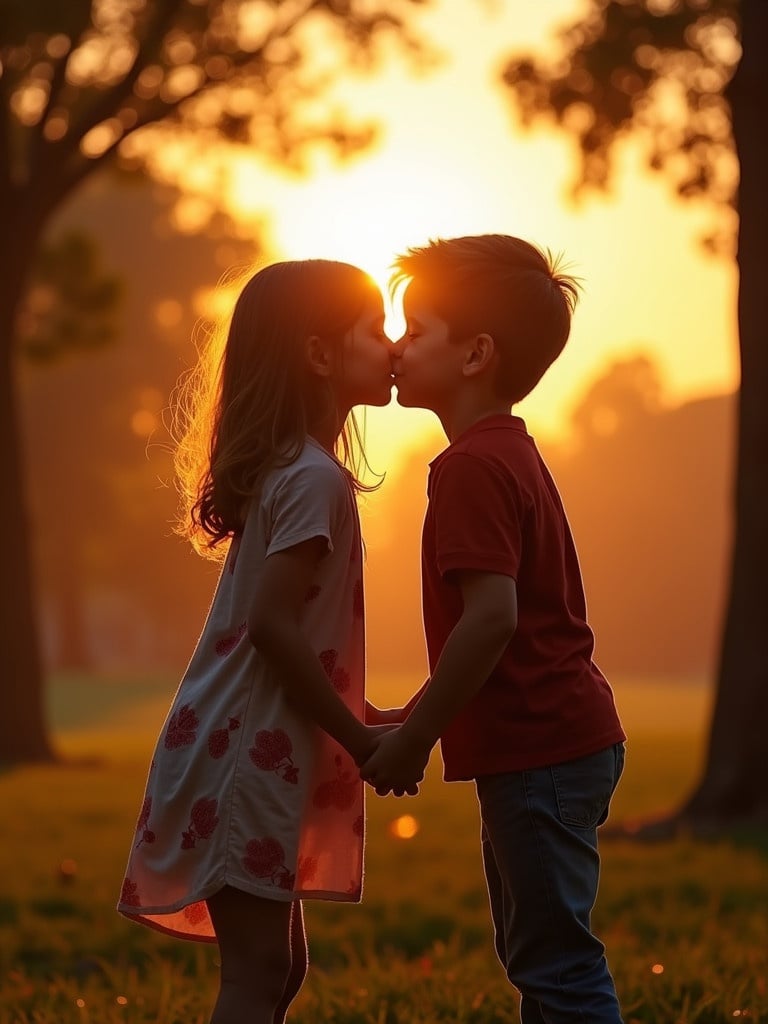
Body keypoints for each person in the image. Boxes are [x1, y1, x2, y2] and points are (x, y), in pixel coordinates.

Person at [118, 259, 403, 1024]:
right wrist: (359, 740)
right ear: (318, 355)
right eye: (374, 329)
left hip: (247, 743)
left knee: (280, 967)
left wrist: (364, 713)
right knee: (257, 970)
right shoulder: (314, 481)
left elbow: (290, 642)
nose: (393, 344)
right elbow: (273, 629)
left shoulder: (298, 472)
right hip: (244, 758)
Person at [361, 235, 627, 1023]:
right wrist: (413, 713)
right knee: (537, 955)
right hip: (552, 742)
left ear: (476, 354)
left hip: (541, 749)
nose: (397, 348)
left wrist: (415, 740)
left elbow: (492, 620)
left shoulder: (472, 467)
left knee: (556, 966)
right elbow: (488, 633)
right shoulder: (504, 453)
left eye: (416, 331)